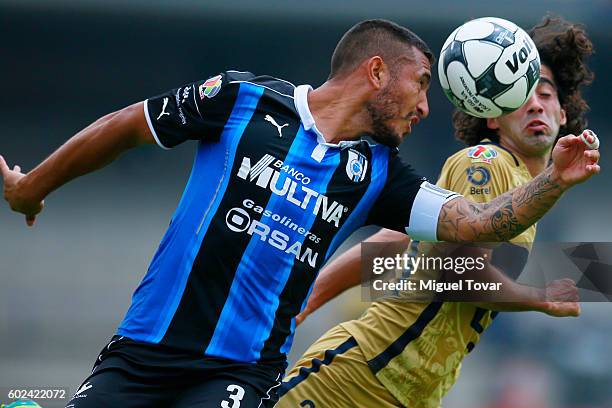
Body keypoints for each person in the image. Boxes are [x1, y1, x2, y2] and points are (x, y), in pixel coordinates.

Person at [0, 18, 599, 408]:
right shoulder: (482, 164)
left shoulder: (380, 172)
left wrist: (553, 202)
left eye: (550, 93)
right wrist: (33, 187)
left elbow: (422, 245)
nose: (424, 106)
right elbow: (129, 126)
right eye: (420, 85)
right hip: (346, 370)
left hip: (289, 373)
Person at [277, 16, 596, 408]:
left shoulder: (522, 189)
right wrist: (538, 298)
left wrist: (306, 301)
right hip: (359, 378)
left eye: (544, 94)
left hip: (406, 391)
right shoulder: (485, 161)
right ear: (491, 115)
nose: (533, 103)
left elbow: (393, 243)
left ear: (563, 113)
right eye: (518, 95)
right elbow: (454, 271)